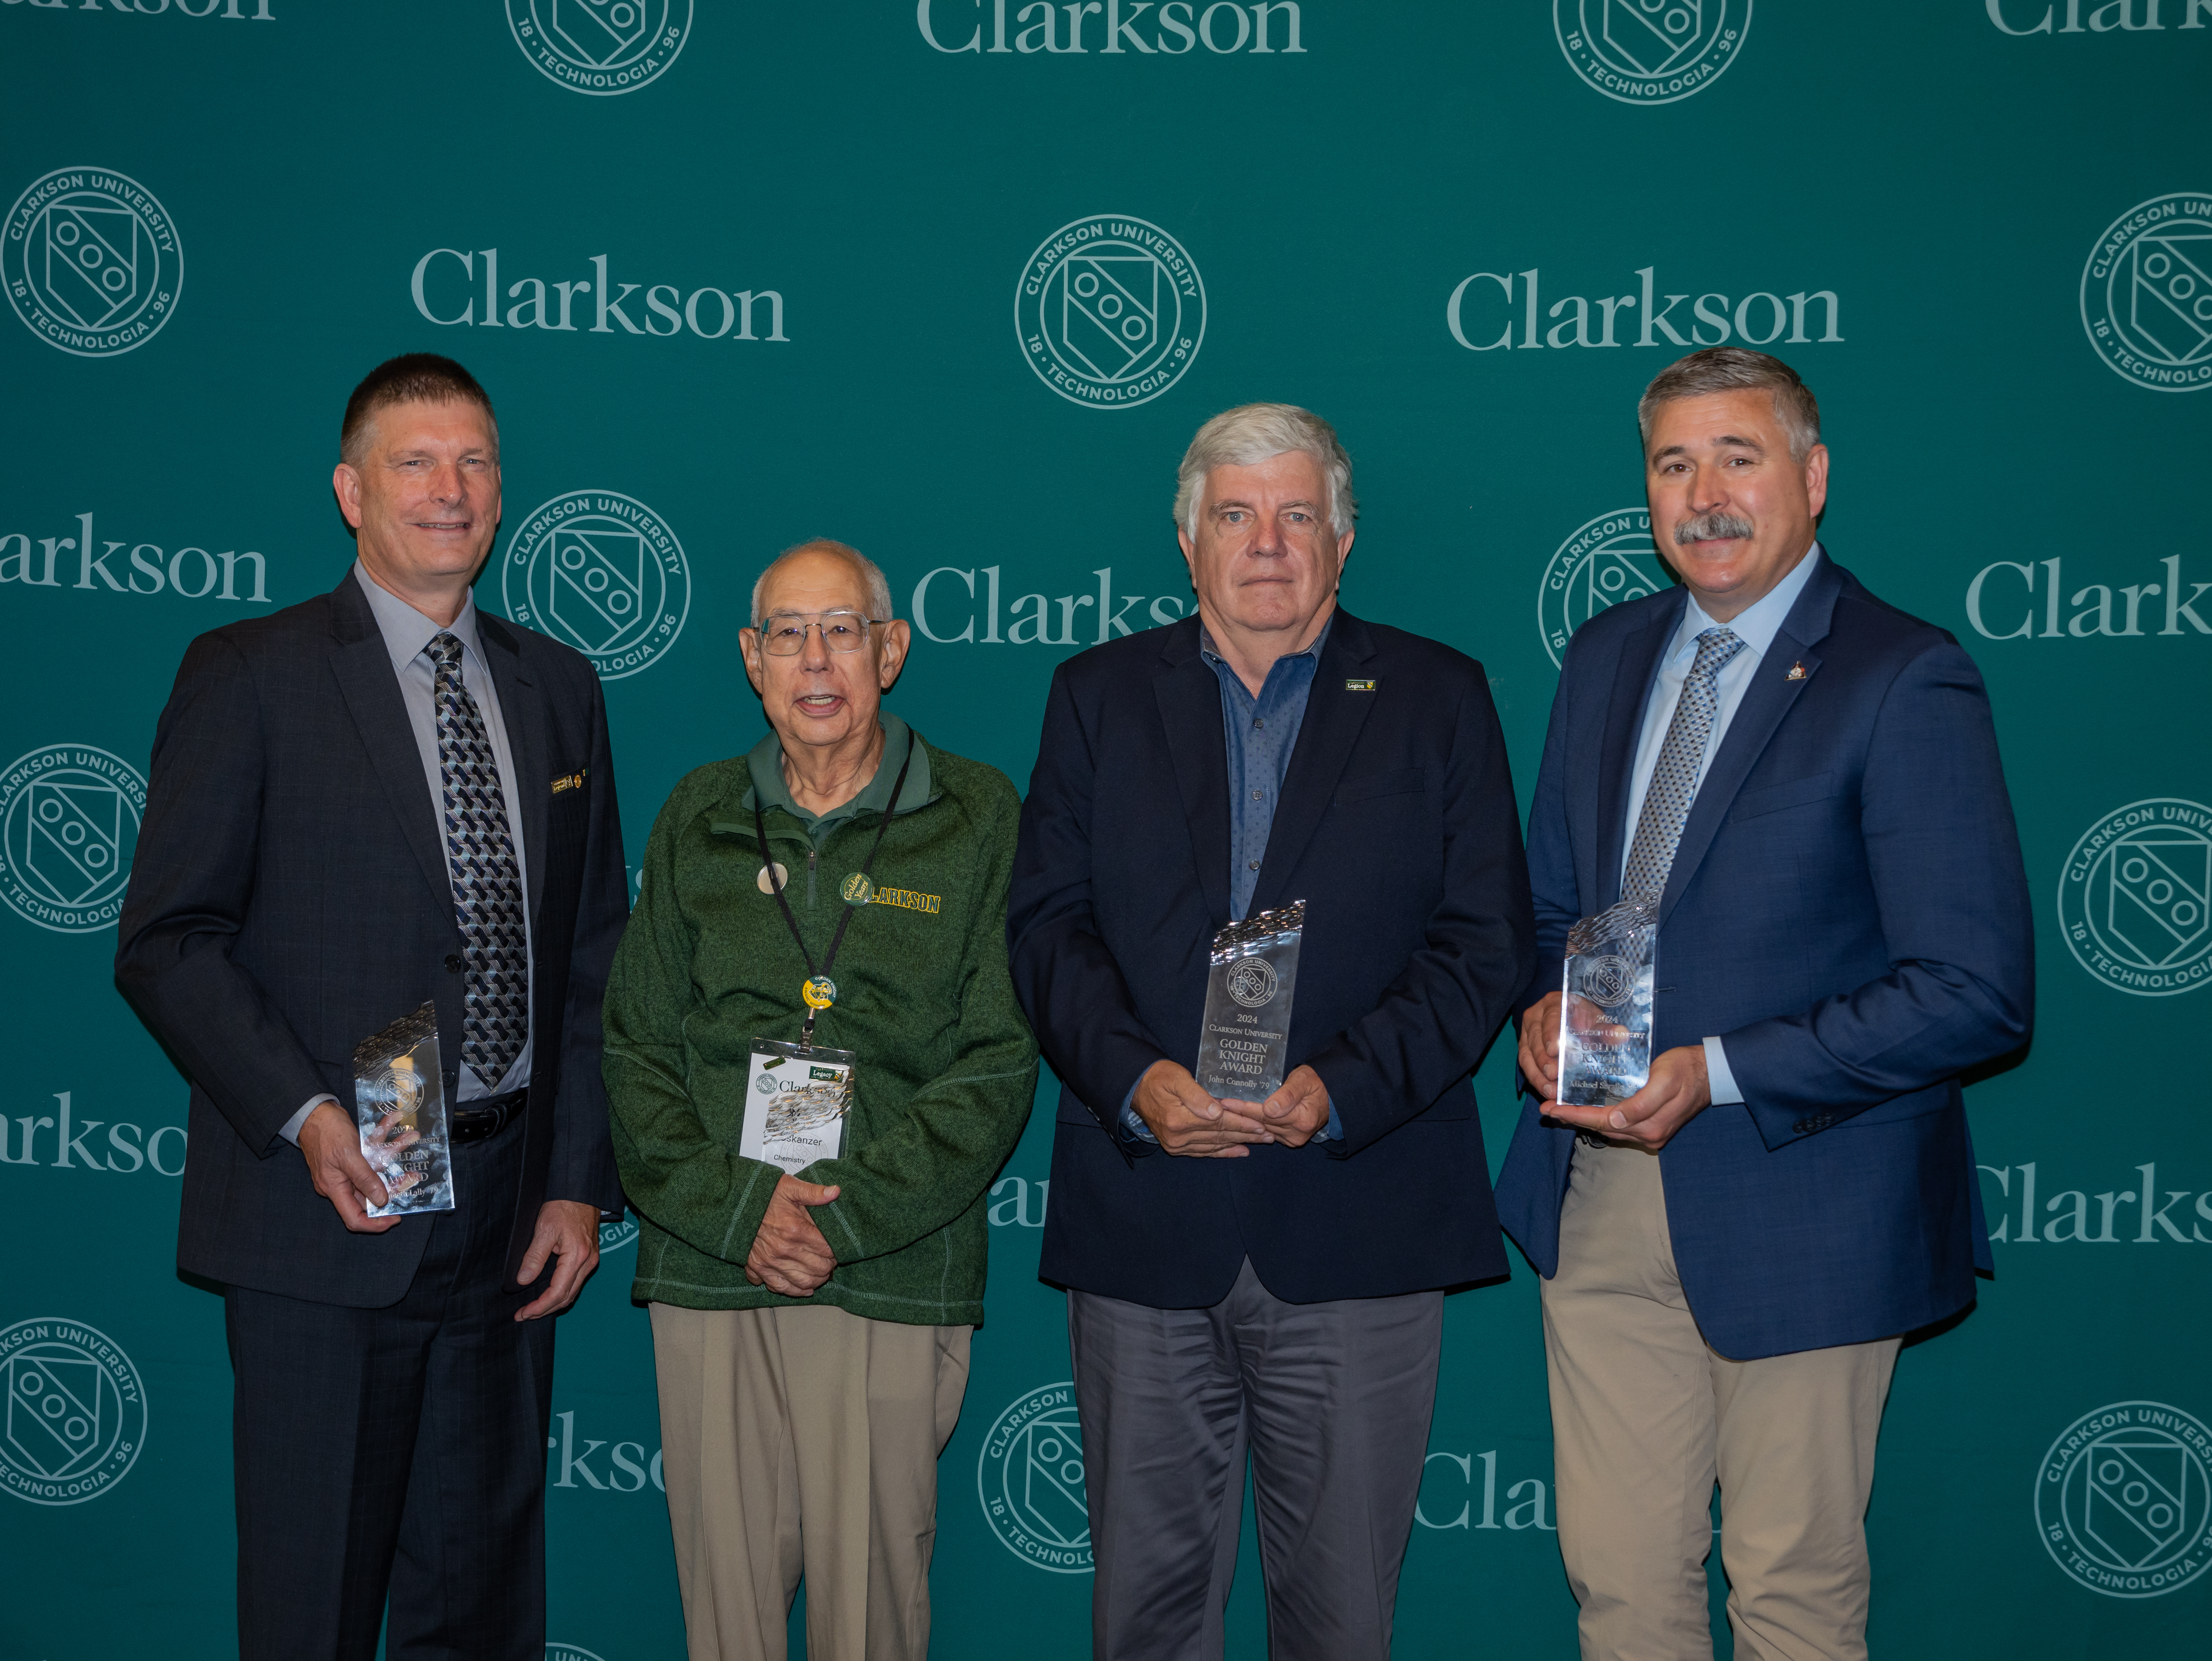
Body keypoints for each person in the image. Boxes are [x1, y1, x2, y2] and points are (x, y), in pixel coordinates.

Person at [1495, 347, 2032, 1661]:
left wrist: (1721, 1069)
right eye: (1675, 463)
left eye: (1740, 455)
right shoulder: (1608, 653)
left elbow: (1976, 991)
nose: (1706, 493)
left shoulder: (1904, 677)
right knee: (1622, 1591)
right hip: (1601, 1198)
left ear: (1814, 475)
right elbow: (1551, 905)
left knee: (1792, 1600)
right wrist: (1541, 1007)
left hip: (1809, 1205)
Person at [114, 354, 628, 1659]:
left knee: (483, 1612)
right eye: (416, 463)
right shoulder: (251, 672)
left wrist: (576, 1182)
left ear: (503, 494)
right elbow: (169, 942)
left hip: (507, 1226)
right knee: (314, 1612)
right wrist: (304, 1116)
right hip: (325, 1224)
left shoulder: (560, 688)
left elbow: (593, 958)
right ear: (352, 491)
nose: (449, 490)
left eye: (475, 463)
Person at [1007, 403, 1536, 1661]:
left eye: (1299, 515)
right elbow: (1045, 928)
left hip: (1358, 1210)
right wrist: (1135, 1078)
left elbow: (1485, 945)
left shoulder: (1438, 695)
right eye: (1235, 515)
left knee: (1345, 1621)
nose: (1267, 544)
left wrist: (1338, 1088)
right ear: (1186, 541)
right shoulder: (1093, 698)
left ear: (1343, 541)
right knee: (1145, 1616)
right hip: (1146, 1214)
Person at [602, 538, 1039, 1661]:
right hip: (713, 1260)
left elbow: (998, 1058)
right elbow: (638, 1048)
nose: (816, 657)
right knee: (725, 1611)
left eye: (842, 629)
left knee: (869, 1616)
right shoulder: (698, 812)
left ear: (890, 651)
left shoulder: (980, 813)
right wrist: (746, 1212)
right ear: (752, 660)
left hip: (887, 1268)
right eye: (788, 632)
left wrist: (836, 1220)